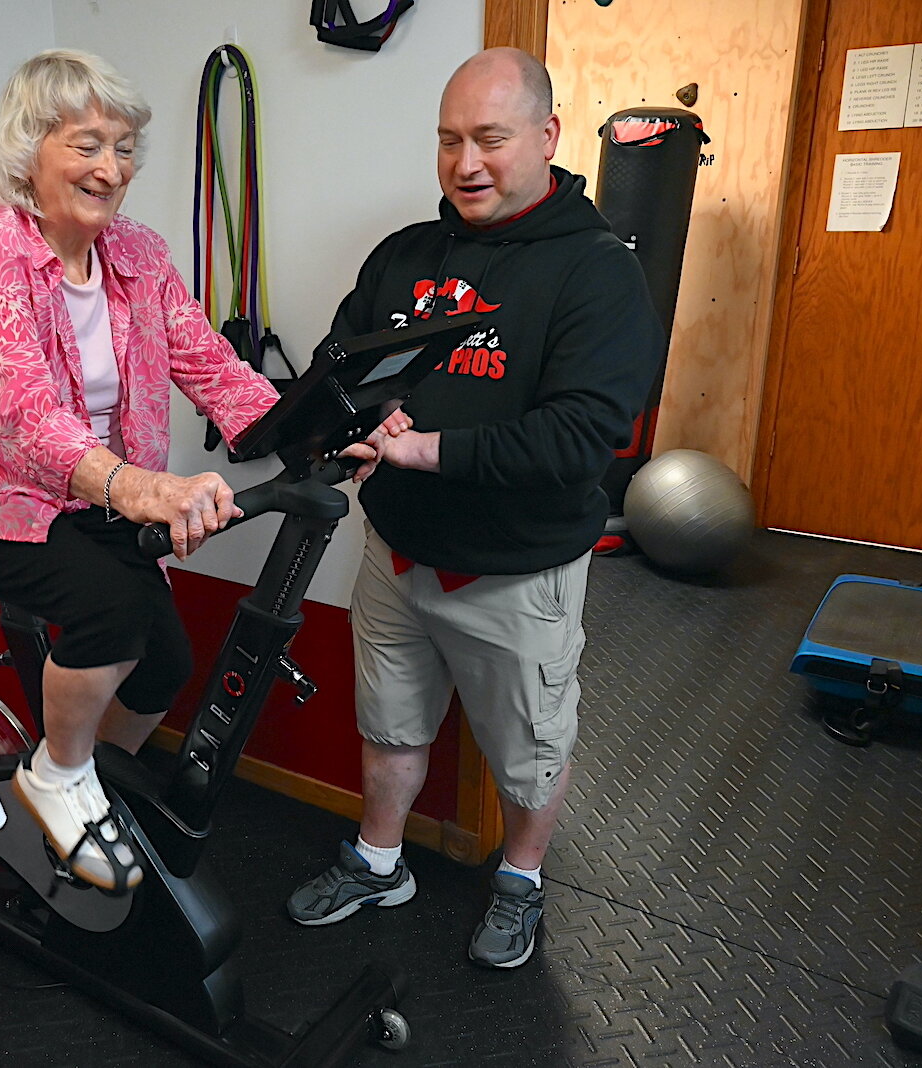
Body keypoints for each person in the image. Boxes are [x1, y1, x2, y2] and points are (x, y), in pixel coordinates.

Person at [286, 47, 663, 968]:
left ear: (547, 136)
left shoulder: (598, 271)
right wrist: (344, 420)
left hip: (518, 570)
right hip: (399, 548)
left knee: (531, 750)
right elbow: (342, 368)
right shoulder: (405, 255)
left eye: (491, 139)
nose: (467, 163)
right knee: (392, 721)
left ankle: (522, 878)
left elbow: (582, 440)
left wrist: (423, 447)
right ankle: (380, 861)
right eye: (450, 141)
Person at [0, 50, 280, 895]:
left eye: (126, 147)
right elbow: (23, 418)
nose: (113, 169)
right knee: (106, 612)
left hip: (87, 487)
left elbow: (209, 364)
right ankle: (57, 776)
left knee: (165, 661)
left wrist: (323, 425)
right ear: (31, 147)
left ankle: (88, 778)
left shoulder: (137, 250)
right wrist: (142, 489)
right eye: (88, 145)